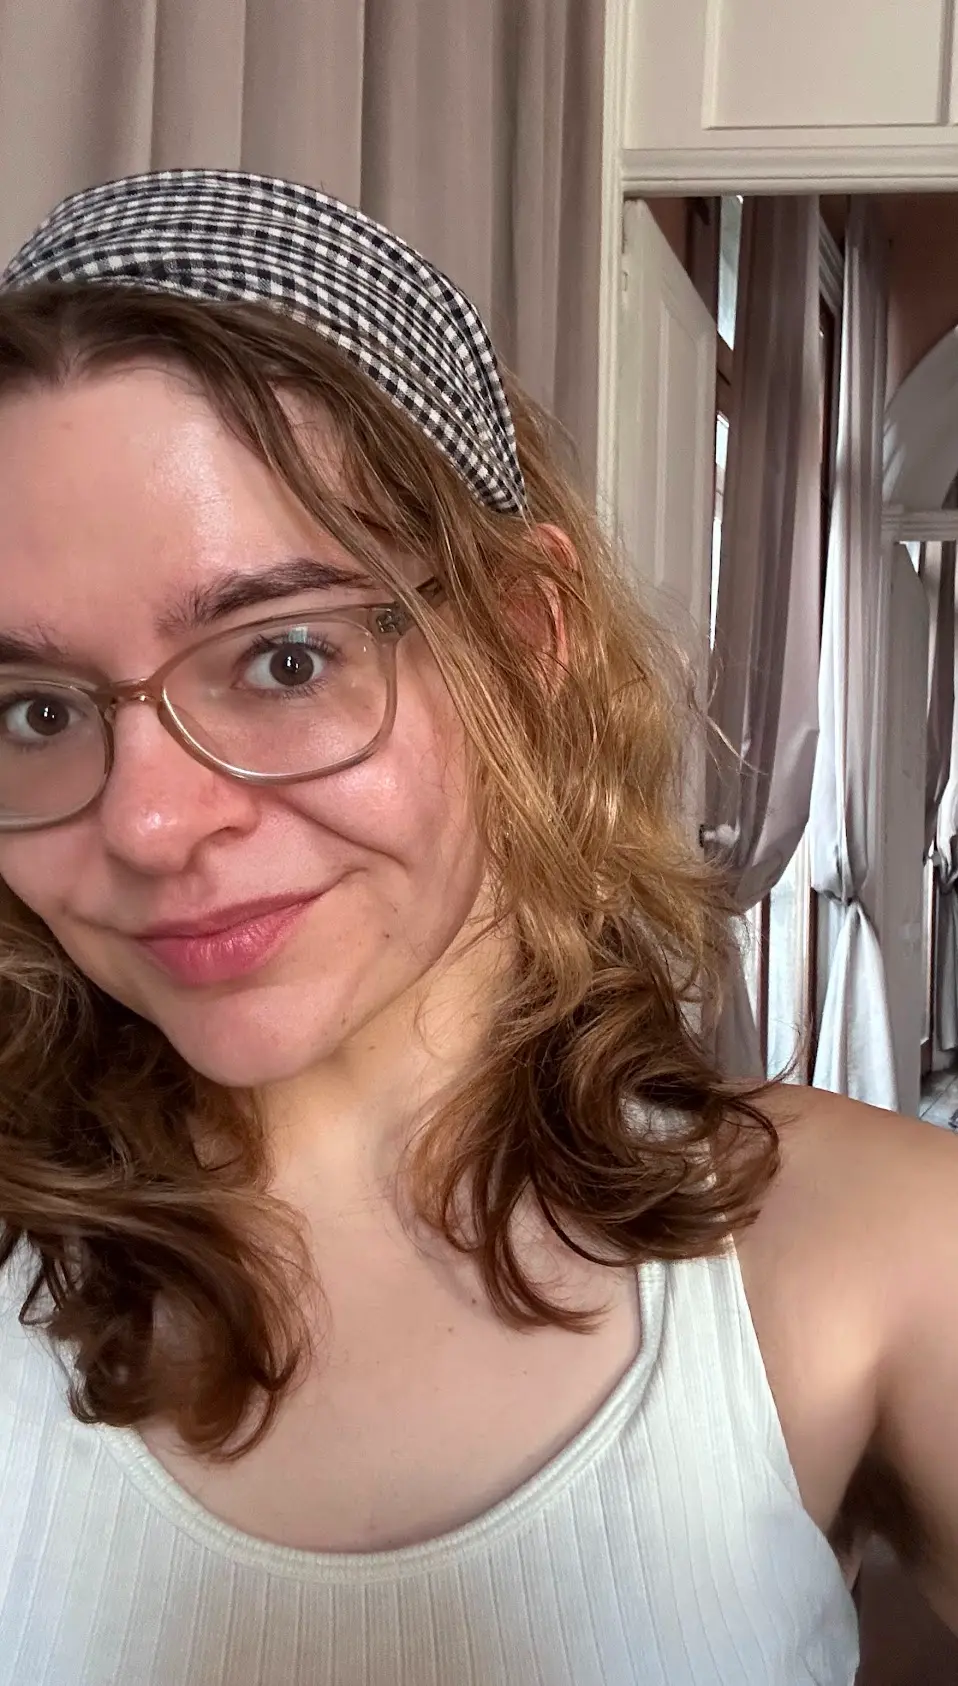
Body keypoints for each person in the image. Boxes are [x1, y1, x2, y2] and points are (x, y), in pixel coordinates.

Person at [0, 170, 954, 1686]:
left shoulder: (880, 1251)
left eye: (283, 658)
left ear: (524, 640)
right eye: (38, 711)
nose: (151, 825)